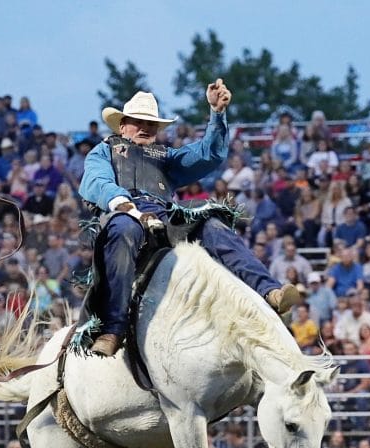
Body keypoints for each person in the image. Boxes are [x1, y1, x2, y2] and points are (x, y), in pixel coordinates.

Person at [78, 83, 299, 357]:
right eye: (138, 122)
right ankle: (113, 329)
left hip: (165, 216)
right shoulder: (103, 151)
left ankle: (270, 292)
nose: (145, 127)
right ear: (122, 126)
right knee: (124, 229)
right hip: (123, 213)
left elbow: (207, 154)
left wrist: (217, 114)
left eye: (151, 123)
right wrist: (123, 203)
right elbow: (97, 180)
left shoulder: (166, 157)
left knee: (212, 225)